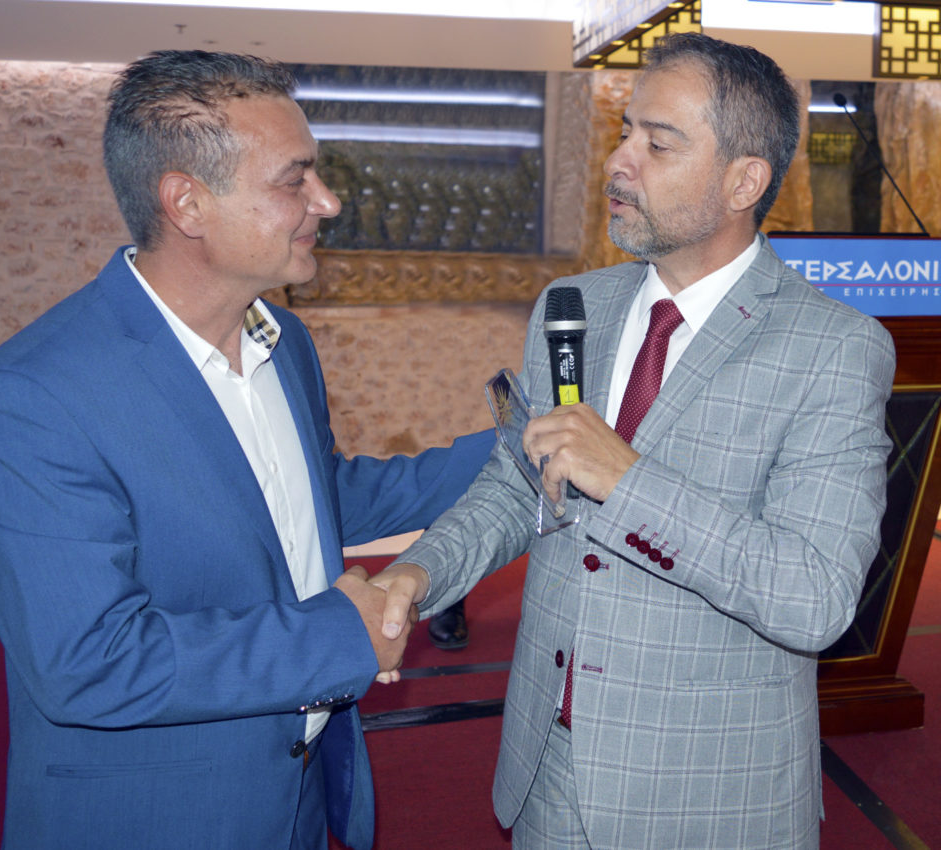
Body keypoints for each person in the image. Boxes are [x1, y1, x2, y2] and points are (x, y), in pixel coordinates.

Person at [0, 50, 493, 850]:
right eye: (295, 180)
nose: (327, 201)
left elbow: (309, 501)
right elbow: (89, 662)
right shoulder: (33, 398)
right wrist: (341, 636)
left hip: (298, 800)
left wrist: (520, 448)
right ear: (188, 203)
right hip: (155, 821)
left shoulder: (285, 340)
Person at [374, 32, 895, 850]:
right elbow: (517, 486)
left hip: (707, 795)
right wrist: (419, 573)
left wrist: (628, 480)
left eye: (658, 144)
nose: (618, 162)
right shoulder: (573, 304)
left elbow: (814, 598)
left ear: (744, 181)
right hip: (547, 767)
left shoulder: (834, 347)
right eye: (625, 134)